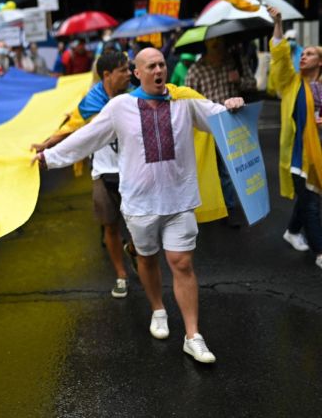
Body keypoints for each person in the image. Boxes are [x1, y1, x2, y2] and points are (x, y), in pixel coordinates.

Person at [33, 48, 245, 364]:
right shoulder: (120, 107)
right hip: (140, 203)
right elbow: (88, 137)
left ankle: (192, 335)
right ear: (138, 73)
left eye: (162, 64)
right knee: (146, 259)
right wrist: (50, 159)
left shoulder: (184, 101)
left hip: (180, 200)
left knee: (182, 262)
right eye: (152, 66)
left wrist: (232, 108)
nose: (159, 70)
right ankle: (158, 308)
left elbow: (219, 118)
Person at [31, 52, 135, 298]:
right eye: (124, 70)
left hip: (134, 172)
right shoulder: (91, 102)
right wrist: (45, 145)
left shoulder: (136, 96)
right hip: (103, 173)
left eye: (130, 69)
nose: (129, 74)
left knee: (140, 229)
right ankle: (121, 275)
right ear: (107, 75)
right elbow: (73, 128)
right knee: (110, 227)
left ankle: (133, 250)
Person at [268, 7, 322, 268]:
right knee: (312, 203)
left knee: (308, 198)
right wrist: (278, 23)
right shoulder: (292, 82)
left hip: (319, 154)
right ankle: (320, 251)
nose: (303, 56)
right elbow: (279, 56)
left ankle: (292, 230)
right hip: (299, 156)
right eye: (302, 53)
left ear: (320, 62)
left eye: (310, 54)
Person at [185, 37, 256, 227]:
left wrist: (238, 80)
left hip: (232, 123)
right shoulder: (196, 70)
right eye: (213, 43)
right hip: (206, 127)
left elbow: (252, 84)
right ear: (206, 45)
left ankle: (230, 209)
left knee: (230, 169)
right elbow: (187, 99)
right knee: (209, 168)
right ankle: (211, 206)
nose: (218, 46)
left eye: (221, 42)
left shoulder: (235, 62)